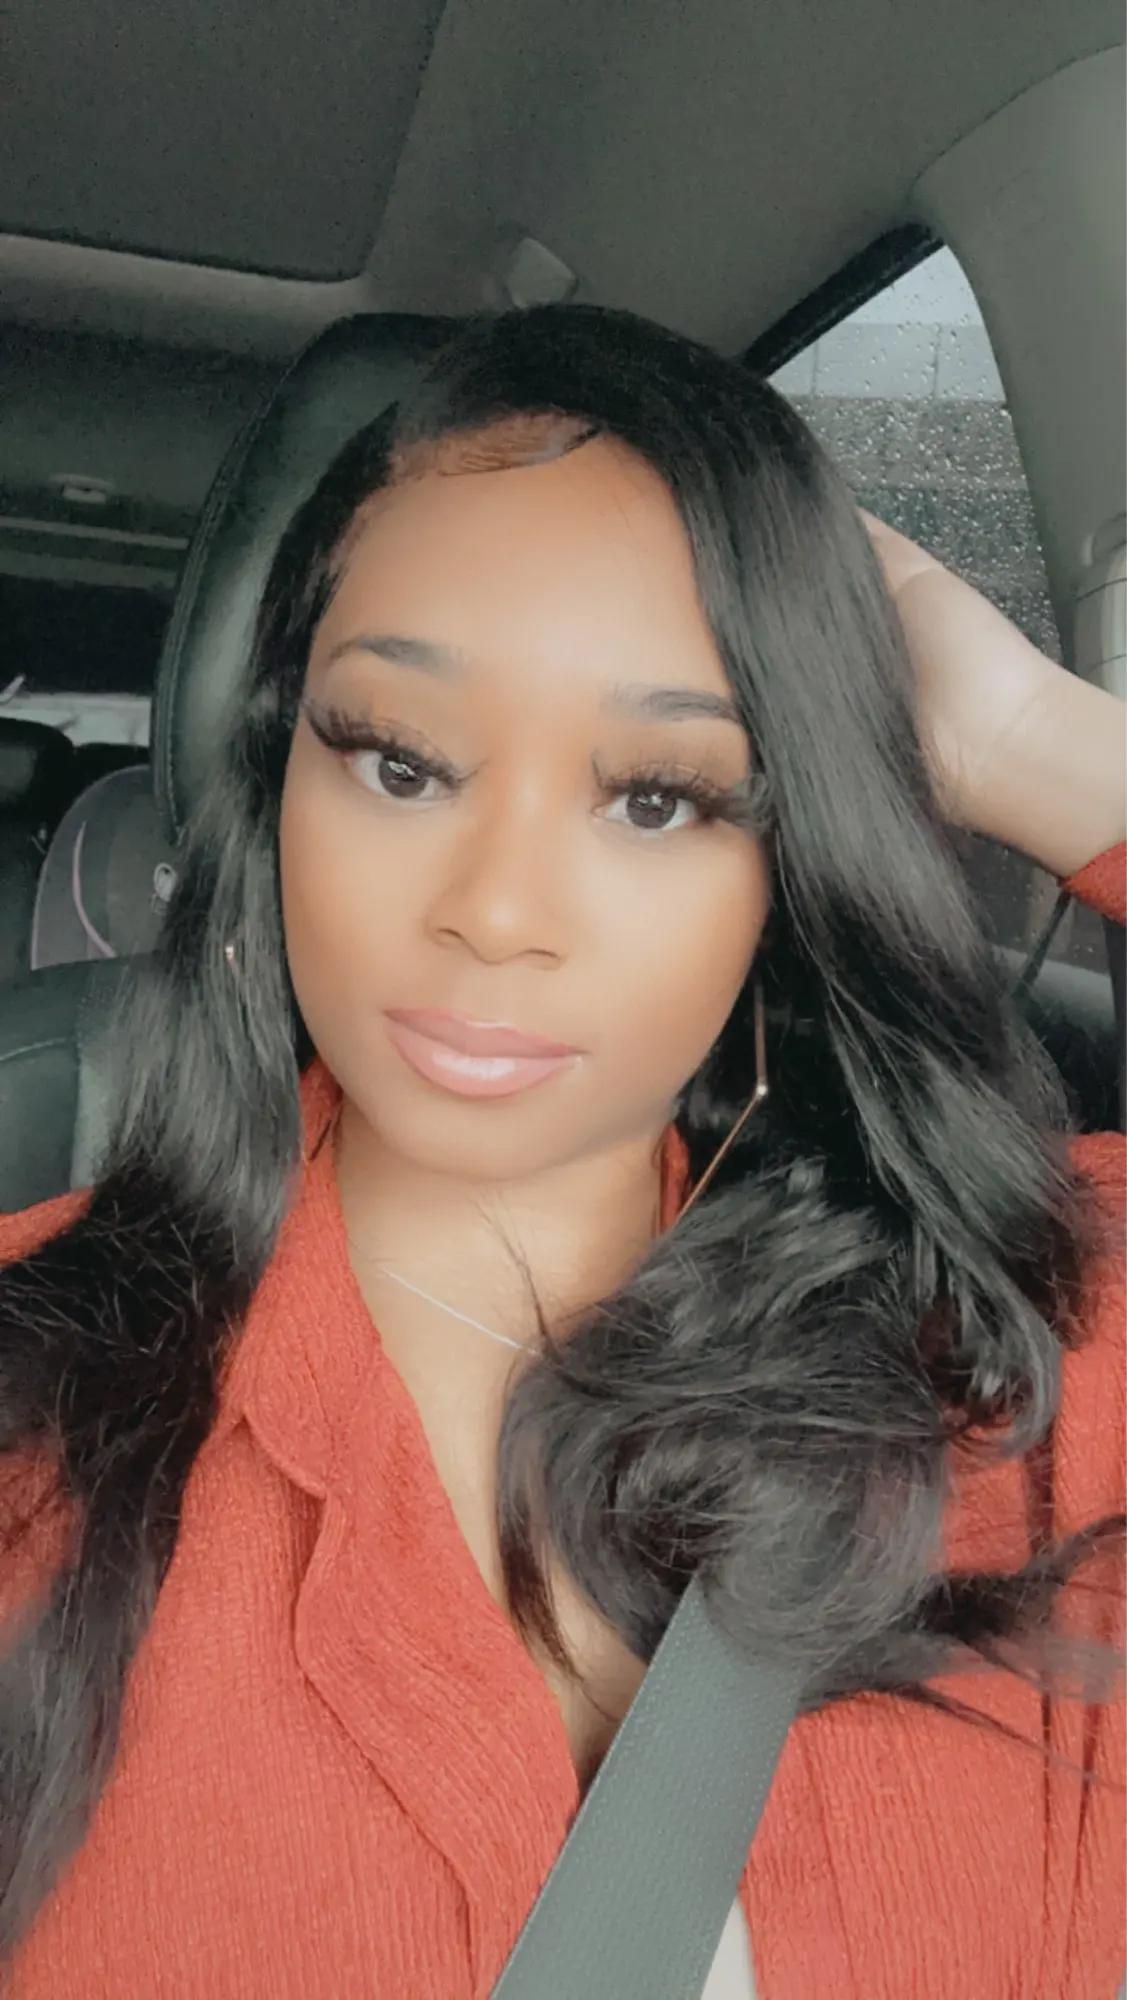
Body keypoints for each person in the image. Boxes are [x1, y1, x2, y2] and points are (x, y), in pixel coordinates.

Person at [0, 305, 1123, 1999]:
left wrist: (1026, 742)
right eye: (399, 761)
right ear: (276, 784)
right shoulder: (31, 1407)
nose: (498, 910)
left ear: (785, 863)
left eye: (658, 797)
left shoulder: (1024, 1349)